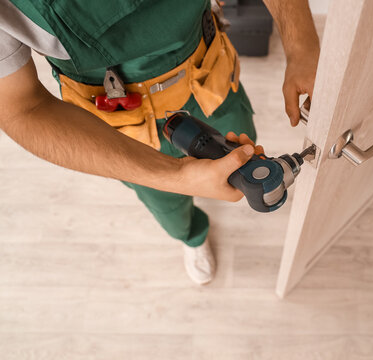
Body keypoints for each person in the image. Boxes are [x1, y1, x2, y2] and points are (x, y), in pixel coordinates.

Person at [0, 0, 320, 284]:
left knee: (244, 143)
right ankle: (192, 237)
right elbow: (22, 109)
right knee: (168, 203)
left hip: (210, 76)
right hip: (124, 122)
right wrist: (176, 176)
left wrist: (302, 45)